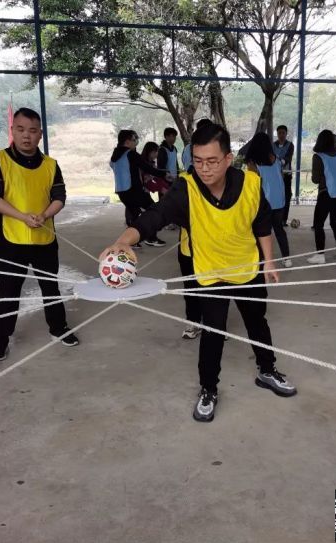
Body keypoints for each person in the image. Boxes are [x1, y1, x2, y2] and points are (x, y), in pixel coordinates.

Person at [100, 123, 297, 422]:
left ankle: (267, 370)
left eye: (212, 161)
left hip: (247, 269)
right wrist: (123, 241)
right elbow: (156, 215)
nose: (204, 169)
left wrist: (268, 261)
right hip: (210, 274)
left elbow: (262, 225)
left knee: (257, 322)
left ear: (228, 159)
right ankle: (208, 388)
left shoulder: (250, 184)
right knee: (213, 332)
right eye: (198, 161)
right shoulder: (186, 188)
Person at [0, 107, 79, 363]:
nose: (26, 135)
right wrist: (22, 216)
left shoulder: (50, 165)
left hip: (44, 239)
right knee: (8, 291)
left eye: (32, 130)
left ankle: (58, 328)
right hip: (9, 240)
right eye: (21, 129)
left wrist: (44, 215)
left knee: (50, 286)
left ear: (40, 134)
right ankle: (0, 340)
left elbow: (60, 197)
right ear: (12, 131)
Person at [110, 130, 168, 247]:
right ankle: (151, 238)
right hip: (134, 191)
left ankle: (132, 241)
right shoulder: (130, 154)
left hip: (121, 192)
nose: (136, 141)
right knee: (153, 211)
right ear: (127, 141)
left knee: (135, 216)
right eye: (134, 139)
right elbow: (147, 168)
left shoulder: (115, 156)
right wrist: (164, 174)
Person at [246, 132, 291, 266]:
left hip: (264, 203)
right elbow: (280, 177)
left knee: (260, 231)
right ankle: (287, 258)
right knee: (279, 230)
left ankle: (261, 259)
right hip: (279, 201)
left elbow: (252, 184)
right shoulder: (275, 158)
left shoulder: (253, 162)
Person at [306, 130, 336, 265]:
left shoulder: (318, 157)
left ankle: (320, 255)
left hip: (326, 193)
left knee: (318, 224)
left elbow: (315, 179)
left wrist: (319, 176)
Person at [273, 125, 294, 224]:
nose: (281, 135)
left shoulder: (290, 145)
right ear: (277, 134)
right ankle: (275, 218)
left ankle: (284, 219)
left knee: (286, 196)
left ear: (286, 134)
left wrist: (281, 161)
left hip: (286, 175)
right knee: (276, 196)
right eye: (279, 133)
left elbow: (288, 158)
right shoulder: (273, 145)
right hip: (275, 175)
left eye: (283, 133)